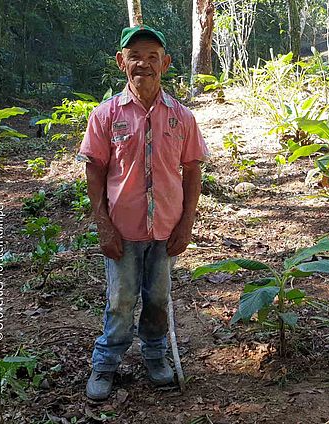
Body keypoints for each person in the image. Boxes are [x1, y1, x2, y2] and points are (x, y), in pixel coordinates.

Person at [77, 25, 208, 400]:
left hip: (166, 230)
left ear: (165, 63)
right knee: (120, 301)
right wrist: (103, 225)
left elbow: (193, 169)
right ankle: (104, 365)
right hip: (123, 229)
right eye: (135, 57)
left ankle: (155, 356)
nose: (144, 65)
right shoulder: (105, 115)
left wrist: (187, 224)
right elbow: (95, 170)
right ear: (122, 63)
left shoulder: (182, 117)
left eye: (153, 57)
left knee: (157, 300)